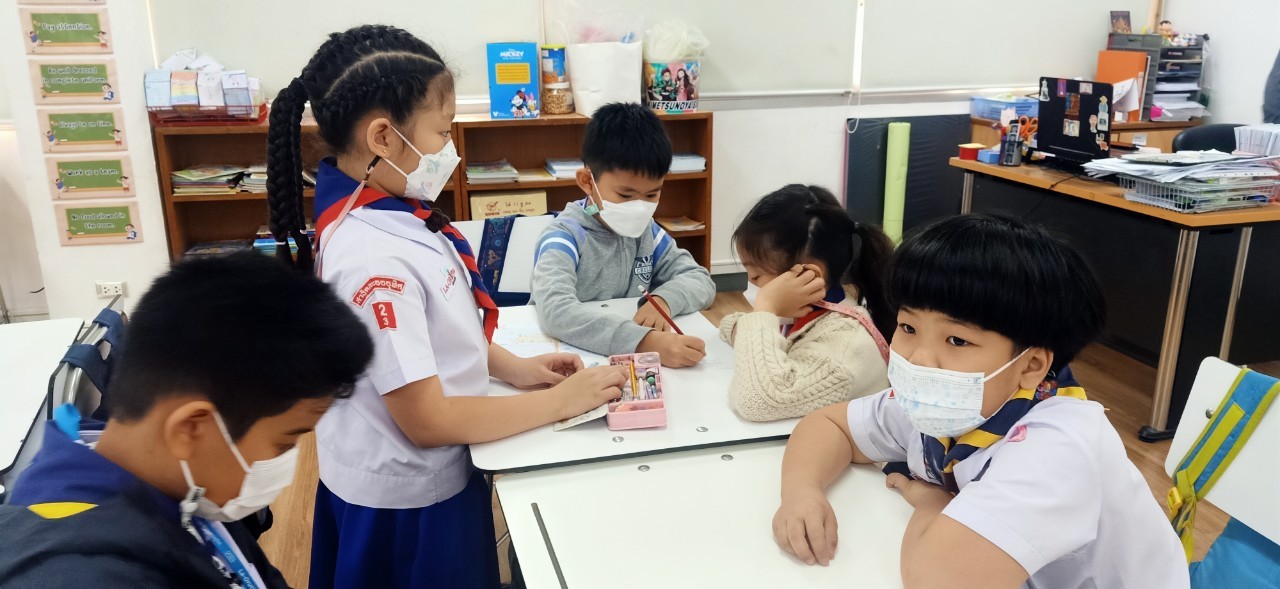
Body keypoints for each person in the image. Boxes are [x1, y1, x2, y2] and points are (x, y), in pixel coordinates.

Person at [265, 25, 626, 588]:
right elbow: (428, 420)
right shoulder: (373, 261)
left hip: (420, 479)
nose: (450, 149)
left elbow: (436, 328)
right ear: (383, 137)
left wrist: (513, 368)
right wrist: (562, 403)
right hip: (406, 508)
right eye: (442, 131)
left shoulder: (389, 210)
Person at [771, 215, 1188, 588]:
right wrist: (802, 491)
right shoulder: (946, 402)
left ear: (1031, 366)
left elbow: (936, 580)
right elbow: (829, 424)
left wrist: (931, 502)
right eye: (908, 327)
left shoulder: (1058, 448)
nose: (919, 359)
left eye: (957, 340)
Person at [0, 252, 374, 588]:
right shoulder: (83, 575)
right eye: (284, 442)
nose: (287, 467)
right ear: (191, 427)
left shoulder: (180, 486)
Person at [531, 102, 716, 367]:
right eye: (626, 195)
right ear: (587, 182)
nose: (639, 206)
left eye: (651, 194)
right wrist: (643, 342)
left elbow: (700, 280)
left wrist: (664, 300)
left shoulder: (648, 232)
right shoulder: (565, 237)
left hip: (627, 363)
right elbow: (556, 311)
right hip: (573, 361)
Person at [720, 185, 892, 422]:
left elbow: (758, 402)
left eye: (757, 275)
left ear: (807, 275)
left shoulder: (843, 350)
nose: (751, 282)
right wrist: (758, 318)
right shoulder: (812, 311)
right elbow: (732, 324)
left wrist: (766, 307)